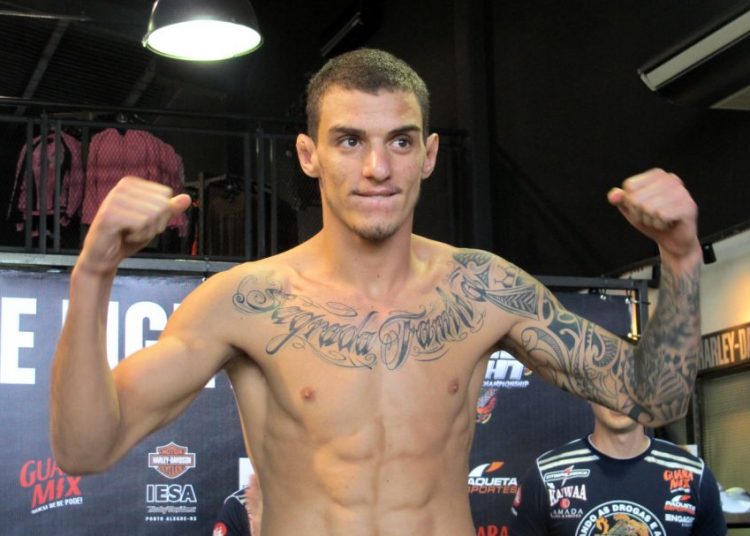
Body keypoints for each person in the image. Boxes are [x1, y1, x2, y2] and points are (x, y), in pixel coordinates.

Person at [49, 48, 703, 535]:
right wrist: (92, 275)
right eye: (349, 140)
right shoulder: (243, 302)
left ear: (429, 154)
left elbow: (654, 397)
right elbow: (84, 449)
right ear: (308, 154)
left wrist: (679, 257)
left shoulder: (485, 289)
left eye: (400, 141)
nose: (377, 167)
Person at [509, 402, 726, 535]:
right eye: (607, 383)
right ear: (588, 391)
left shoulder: (694, 475)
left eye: (631, 384)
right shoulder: (546, 475)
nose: (620, 397)